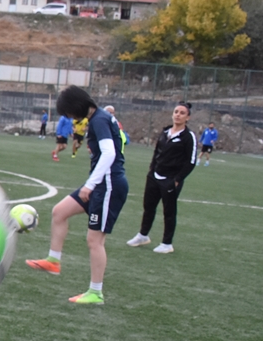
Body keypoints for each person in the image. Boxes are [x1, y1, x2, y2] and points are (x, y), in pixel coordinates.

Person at [26, 85, 128, 304]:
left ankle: (96, 292)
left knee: (94, 240)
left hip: (108, 185)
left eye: (69, 112)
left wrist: (90, 185)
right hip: (100, 184)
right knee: (60, 212)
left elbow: (110, 153)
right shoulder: (99, 118)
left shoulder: (100, 119)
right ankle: (54, 260)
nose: (70, 116)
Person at [125, 102, 198, 254]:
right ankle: (143, 235)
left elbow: (191, 161)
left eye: (182, 113)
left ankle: (167, 243)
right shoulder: (165, 132)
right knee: (148, 207)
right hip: (154, 177)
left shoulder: (188, 136)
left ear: (188, 117)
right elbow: (156, 153)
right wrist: (151, 171)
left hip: (171, 180)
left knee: (169, 211)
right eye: (176, 111)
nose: (178, 114)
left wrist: (177, 179)